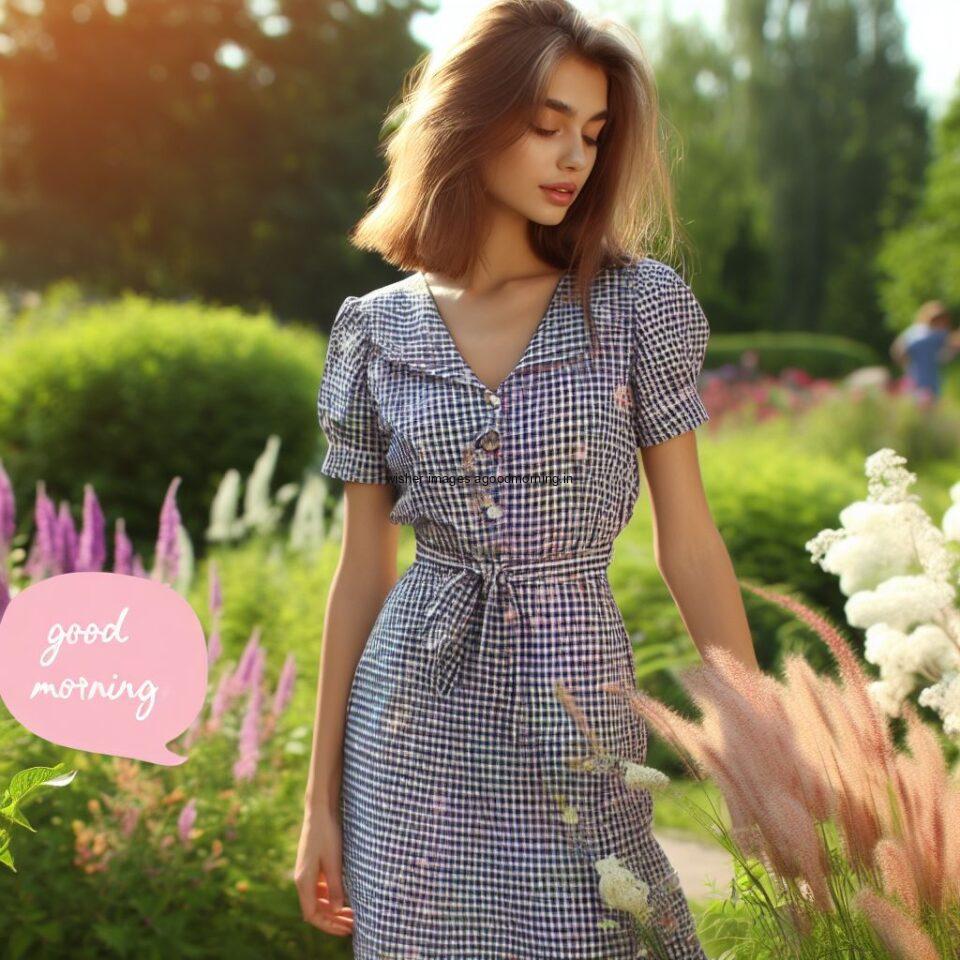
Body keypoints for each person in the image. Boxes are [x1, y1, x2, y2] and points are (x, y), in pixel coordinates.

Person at [294, 2, 759, 957]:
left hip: (574, 699)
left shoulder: (635, 305)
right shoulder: (374, 329)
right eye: (546, 126)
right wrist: (319, 804)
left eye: (593, 134)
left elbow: (691, 542)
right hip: (407, 716)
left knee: (602, 933)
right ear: (470, 122)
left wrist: (759, 745)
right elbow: (362, 576)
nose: (573, 158)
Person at [890, 299, 960, 402]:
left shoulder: (914, 331)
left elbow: (897, 351)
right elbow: (952, 343)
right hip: (921, 380)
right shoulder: (931, 334)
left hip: (923, 379)